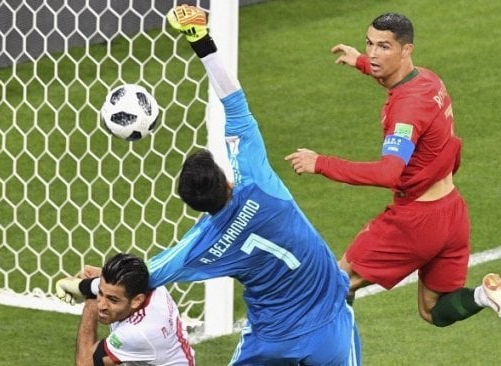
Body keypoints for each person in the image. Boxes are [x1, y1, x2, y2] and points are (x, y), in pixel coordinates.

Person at [58, 4, 361, 365]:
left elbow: (142, 278)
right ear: (225, 176)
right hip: (330, 323)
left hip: (270, 340)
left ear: (194, 206)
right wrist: (199, 37)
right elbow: (234, 100)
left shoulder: (203, 245)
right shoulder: (257, 181)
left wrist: (86, 288)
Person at [285, 12, 501, 333]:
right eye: (369, 44)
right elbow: (395, 79)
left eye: (384, 47)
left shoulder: (407, 110)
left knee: (335, 283)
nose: (373, 53)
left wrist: (321, 163)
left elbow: (389, 173)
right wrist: (359, 61)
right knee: (433, 310)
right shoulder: (429, 80)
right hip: (452, 213)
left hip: (416, 221)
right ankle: (485, 296)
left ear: (406, 49)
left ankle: (340, 354)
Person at [55, 253, 195, 366]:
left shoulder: (138, 332)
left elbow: (85, 363)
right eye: (100, 294)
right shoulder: (147, 283)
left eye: (112, 300)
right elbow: (108, 286)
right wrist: (80, 285)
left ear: (136, 301)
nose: (102, 306)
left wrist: (90, 305)